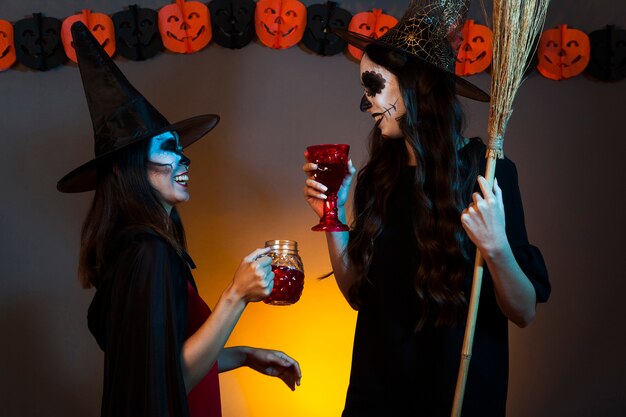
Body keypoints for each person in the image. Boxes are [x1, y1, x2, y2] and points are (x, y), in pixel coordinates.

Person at [302, 1, 550, 416]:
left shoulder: (487, 174)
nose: (365, 104)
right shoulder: (379, 178)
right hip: (376, 398)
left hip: (455, 397)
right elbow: (358, 296)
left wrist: (496, 247)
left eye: (373, 85)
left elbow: (523, 310)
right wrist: (332, 215)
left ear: (414, 84)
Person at [57, 22, 301, 417]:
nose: (185, 160)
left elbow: (165, 361)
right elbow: (164, 383)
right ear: (131, 167)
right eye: (170, 149)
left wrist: (244, 356)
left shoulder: (146, 250)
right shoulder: (147, 253)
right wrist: (235, 297)